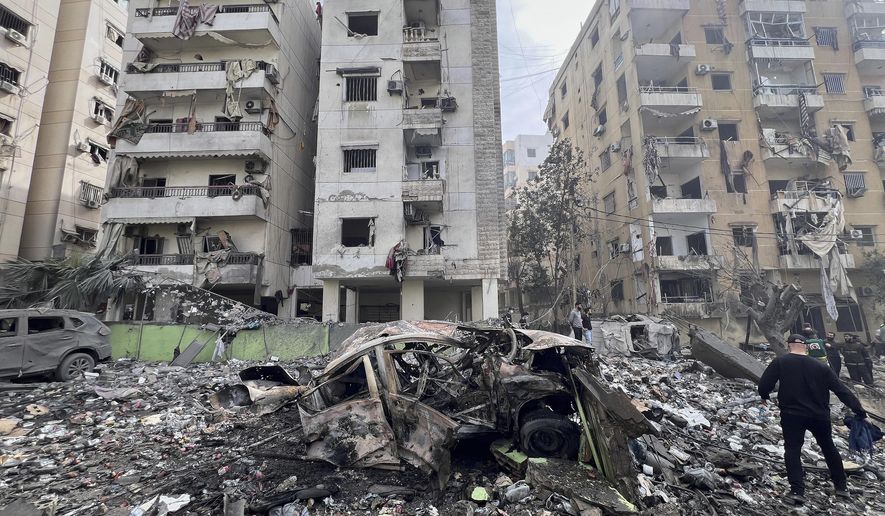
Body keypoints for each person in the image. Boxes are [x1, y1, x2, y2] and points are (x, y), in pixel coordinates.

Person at [759, 334, 867, 505]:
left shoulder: (781, 362)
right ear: (806, 347)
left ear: (789, 346)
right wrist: (859, 410)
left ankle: (797, 491)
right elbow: (841, 389)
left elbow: (765, 383)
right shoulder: (820, 366)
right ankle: (841, 487)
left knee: (793, 450)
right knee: (828, 447)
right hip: (819, 415)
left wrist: (764, 396)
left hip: (791, 415)